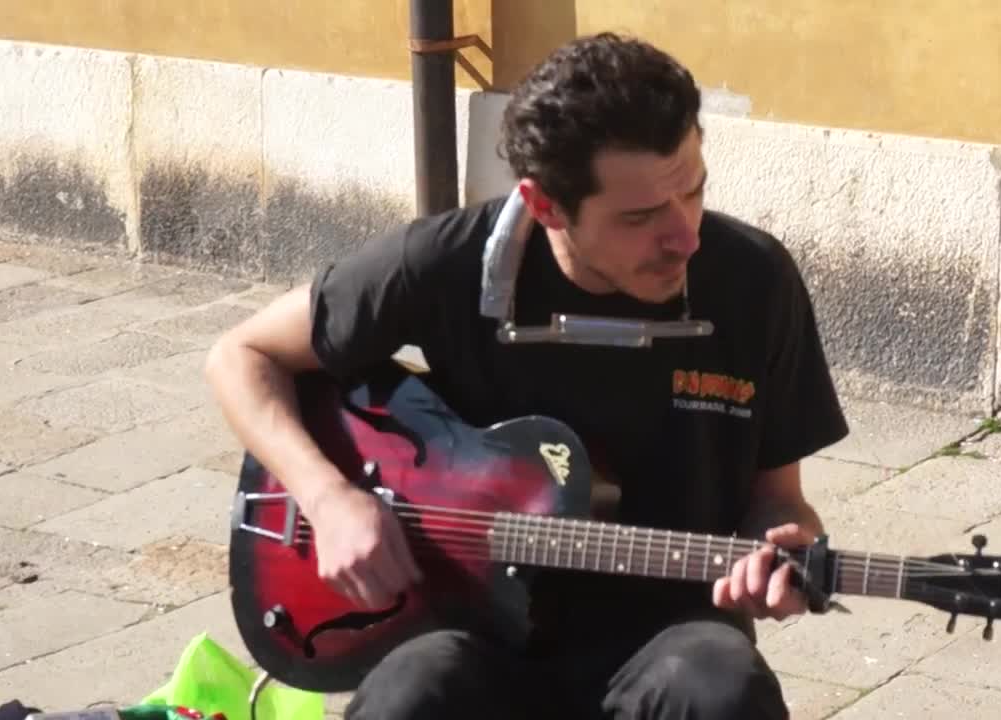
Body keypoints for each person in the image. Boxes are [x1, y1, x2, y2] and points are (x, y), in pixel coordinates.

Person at [205, 31, 849, 720]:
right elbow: (241, 357)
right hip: (464, 627)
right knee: (409, 696)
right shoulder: (445, 261)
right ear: (545, 207)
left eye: (693, 191)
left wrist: (782, 545)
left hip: (667, 631)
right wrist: (329, 498)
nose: (685, 236)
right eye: (640, 217)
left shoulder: (754, 281)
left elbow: (780, 502)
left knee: (724, 688)